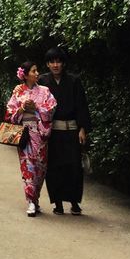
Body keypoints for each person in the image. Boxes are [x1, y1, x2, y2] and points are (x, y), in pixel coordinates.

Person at [40, 46, 92, 215]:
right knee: (54, 168)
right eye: (52, 61)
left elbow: (82, 106)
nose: (55, 65)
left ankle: (74, 202)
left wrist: (82, 128)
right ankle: (58, 203)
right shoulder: (42, 82)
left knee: (74, 167)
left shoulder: (74, 81)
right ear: (47, 64)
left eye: (58, 61)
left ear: (63, 64)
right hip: (52, 133)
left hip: (71, 131)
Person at [4, 61, 57, 216]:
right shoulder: (18, 92)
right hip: (25, 133)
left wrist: (37, 109)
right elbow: (9, 112)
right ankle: (31, 202)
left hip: (40, 134)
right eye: (33, 71)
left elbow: (52, 107)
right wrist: (22, 108)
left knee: (40, 169)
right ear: (25, 75)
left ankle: (36, 198)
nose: (37, 73)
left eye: (36, 70)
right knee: (28, 168)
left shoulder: (45, 91)